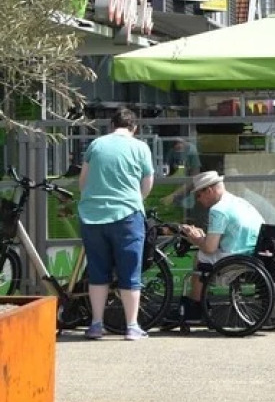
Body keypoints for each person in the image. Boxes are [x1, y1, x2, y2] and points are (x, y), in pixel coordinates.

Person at [77, 108, 155, 340]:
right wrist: (135, 201)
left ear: (111, 125)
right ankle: (131, 326)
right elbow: (147, 182)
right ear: (135, 128)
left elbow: (83, 181)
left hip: (92, 216)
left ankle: (96, 324)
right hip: (127, 215)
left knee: (97, 271)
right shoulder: (140, 147)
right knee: (130, 272)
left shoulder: (96, 145)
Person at [175, 172, 264, 319]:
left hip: (236, 258)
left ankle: (196, 307)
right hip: (252, 253)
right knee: (205, 252)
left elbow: (210, 248)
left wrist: (194, 238)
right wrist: (203, 237)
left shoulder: (218, 210)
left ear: (209, 191)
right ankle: (201, 301)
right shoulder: (239, 202)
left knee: (201, 256)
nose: (198, 200)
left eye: (198, 195)